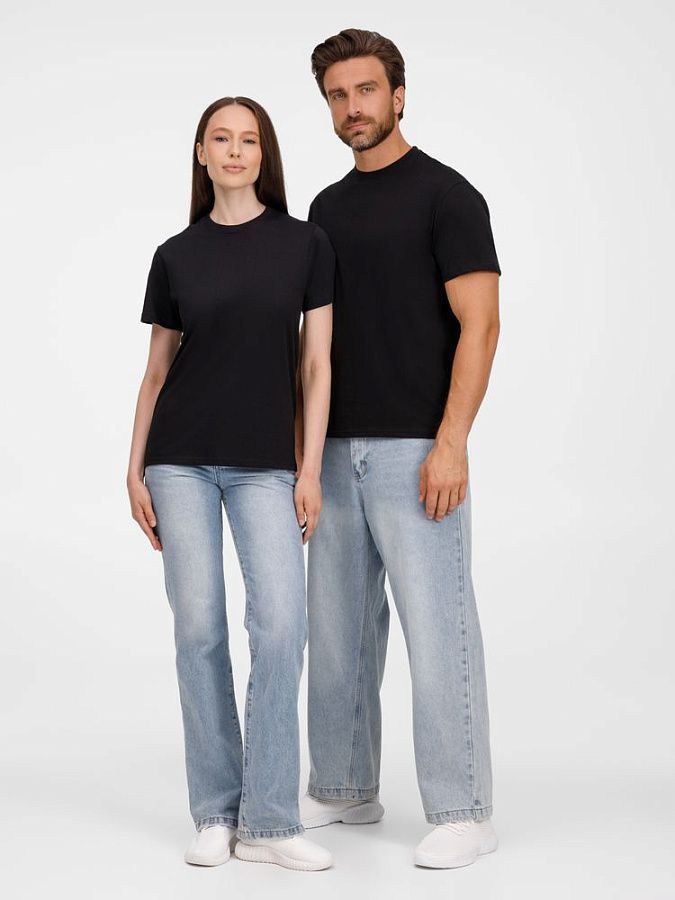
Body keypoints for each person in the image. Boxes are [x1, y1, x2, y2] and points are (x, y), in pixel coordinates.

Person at [297, 29, 502, 869]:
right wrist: (304, 455)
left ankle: (464, 809)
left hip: (416, 450)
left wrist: (450, 442)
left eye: (366, 90)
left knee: (437, 632)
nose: (353, 107)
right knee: (336, 635)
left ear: (398, 95)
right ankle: (344, 787)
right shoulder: (324, 209)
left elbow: (480, 325)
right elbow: (313, 342)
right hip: (332, 451)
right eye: (338, 95)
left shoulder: (447, 196)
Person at [126, 96, 335, 872]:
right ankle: (216, 812)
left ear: (263, 155)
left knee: (279, 627)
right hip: (178, 459)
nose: (236, 150)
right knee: (199, 632)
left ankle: (271, 820)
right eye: (221, 138)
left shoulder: (305, 244)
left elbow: (316, 364)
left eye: (249, 140)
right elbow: (156, 372)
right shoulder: (174, 254)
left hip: (266, 465)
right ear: (202, 154)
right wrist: (133, 468)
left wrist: (309, 468)